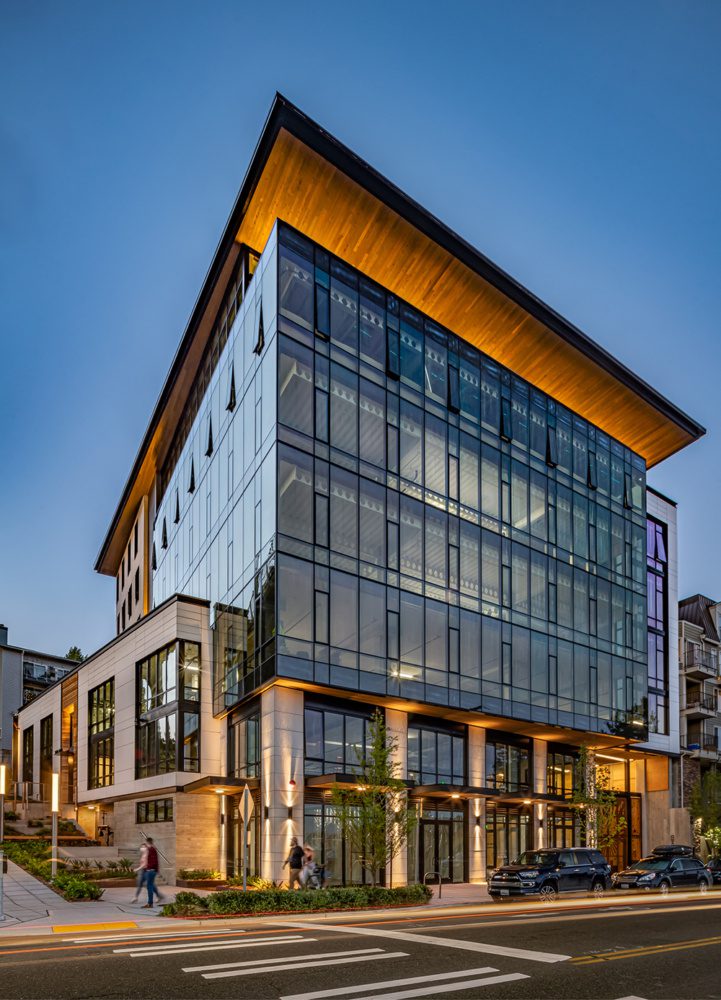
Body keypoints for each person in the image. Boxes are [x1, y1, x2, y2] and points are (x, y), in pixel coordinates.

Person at [142, 837, 165, 908]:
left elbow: (154, 861)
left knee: (149, 886)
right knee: (150, 885)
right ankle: (152, 900)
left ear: (147, 842)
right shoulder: (151, 849)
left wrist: (149, 868)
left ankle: (150, 903)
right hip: (151, 870)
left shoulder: (151, 849)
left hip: (151, 871)